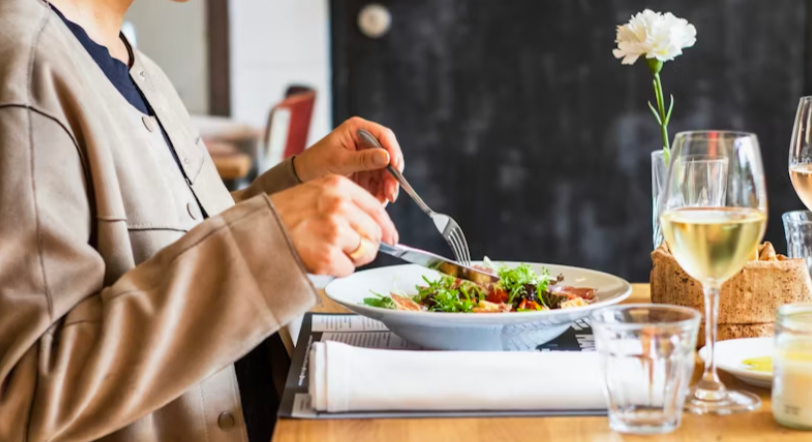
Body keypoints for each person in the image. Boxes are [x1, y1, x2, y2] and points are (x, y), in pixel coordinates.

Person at [0, 0, 403, 441]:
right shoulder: (25, 68)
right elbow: (23, 397)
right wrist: (267, 244)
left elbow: (174, 243)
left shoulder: (138, 68)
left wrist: (296, 183)